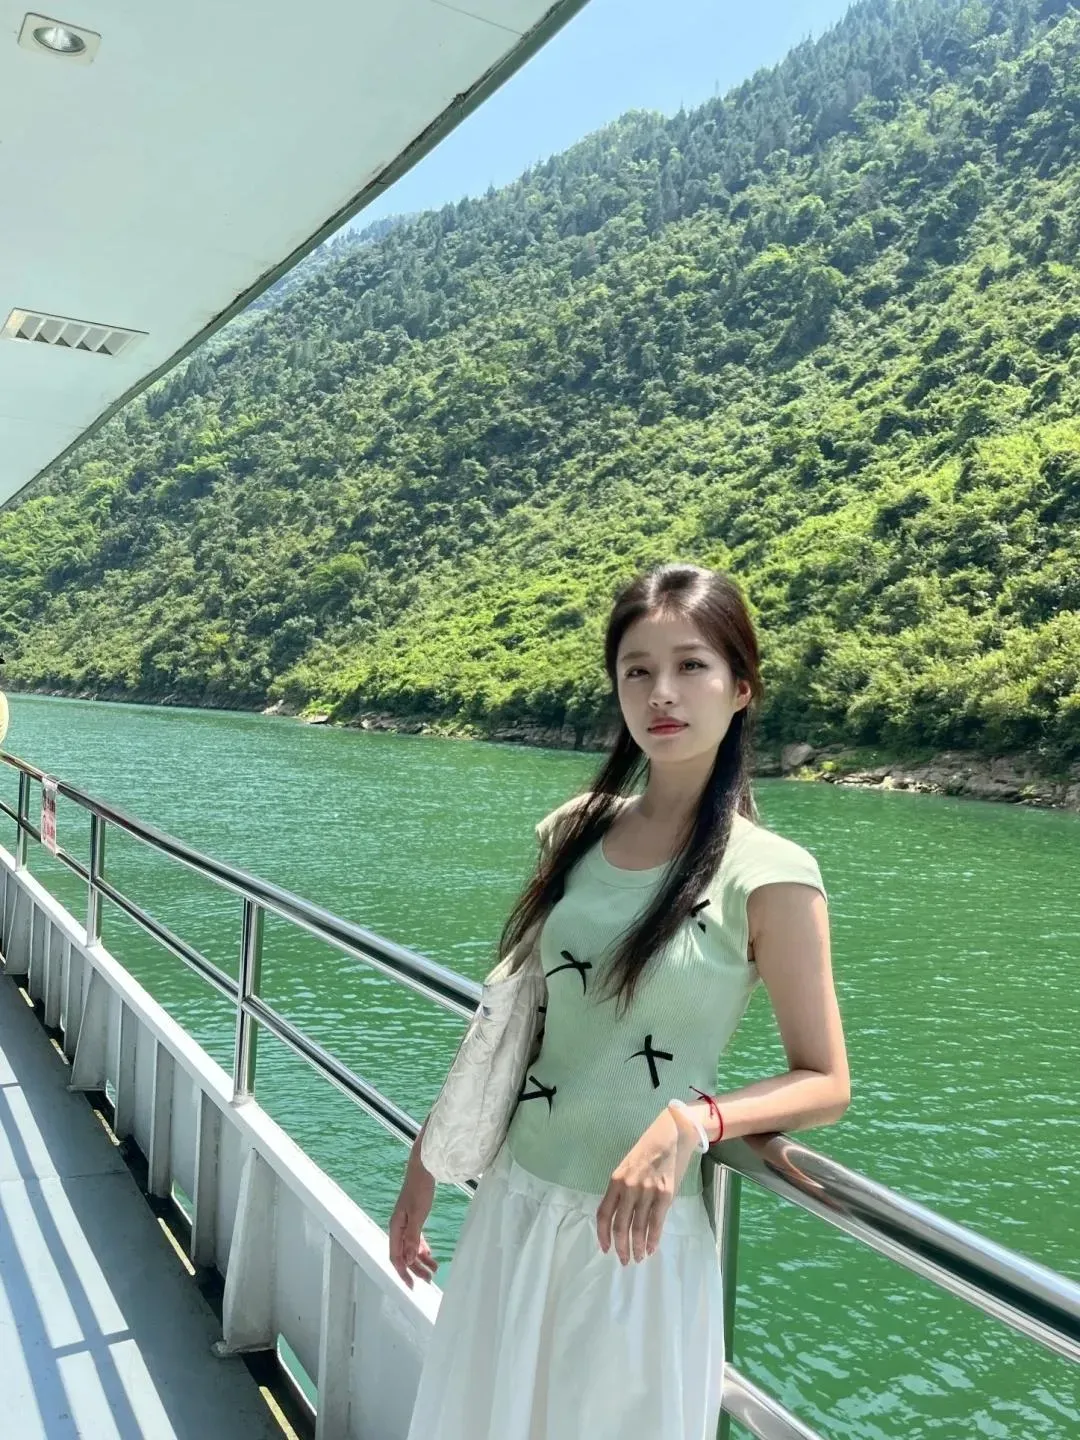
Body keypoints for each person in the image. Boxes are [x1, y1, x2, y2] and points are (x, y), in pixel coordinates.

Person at [391, 563, 850, 1440]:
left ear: (741, 688)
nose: (661, 693)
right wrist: (426, 1160)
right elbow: (516, 1020)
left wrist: (694, 1123)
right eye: (638, 670)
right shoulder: (577, 830)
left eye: (691, 666)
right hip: (514, 1201)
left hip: (633, 1237)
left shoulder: (771, 874)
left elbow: (826, 1081)